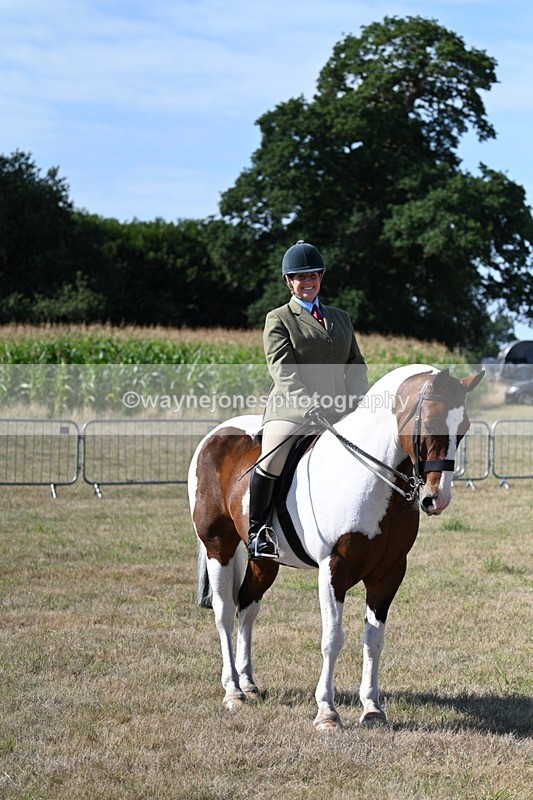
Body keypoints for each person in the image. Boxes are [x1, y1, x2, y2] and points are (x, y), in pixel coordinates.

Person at [247, 240, 369, 559]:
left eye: (313, 275)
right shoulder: (279, 319)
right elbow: (283, 371)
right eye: (300, 277)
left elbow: (355, 363)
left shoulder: (340, 317)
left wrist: (357, 401)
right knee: (272, 457)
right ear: (289, 282)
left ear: (321, 277)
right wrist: (307, 407)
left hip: (339, 411)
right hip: (292, 410)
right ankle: (258, 531)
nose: (308, 281)